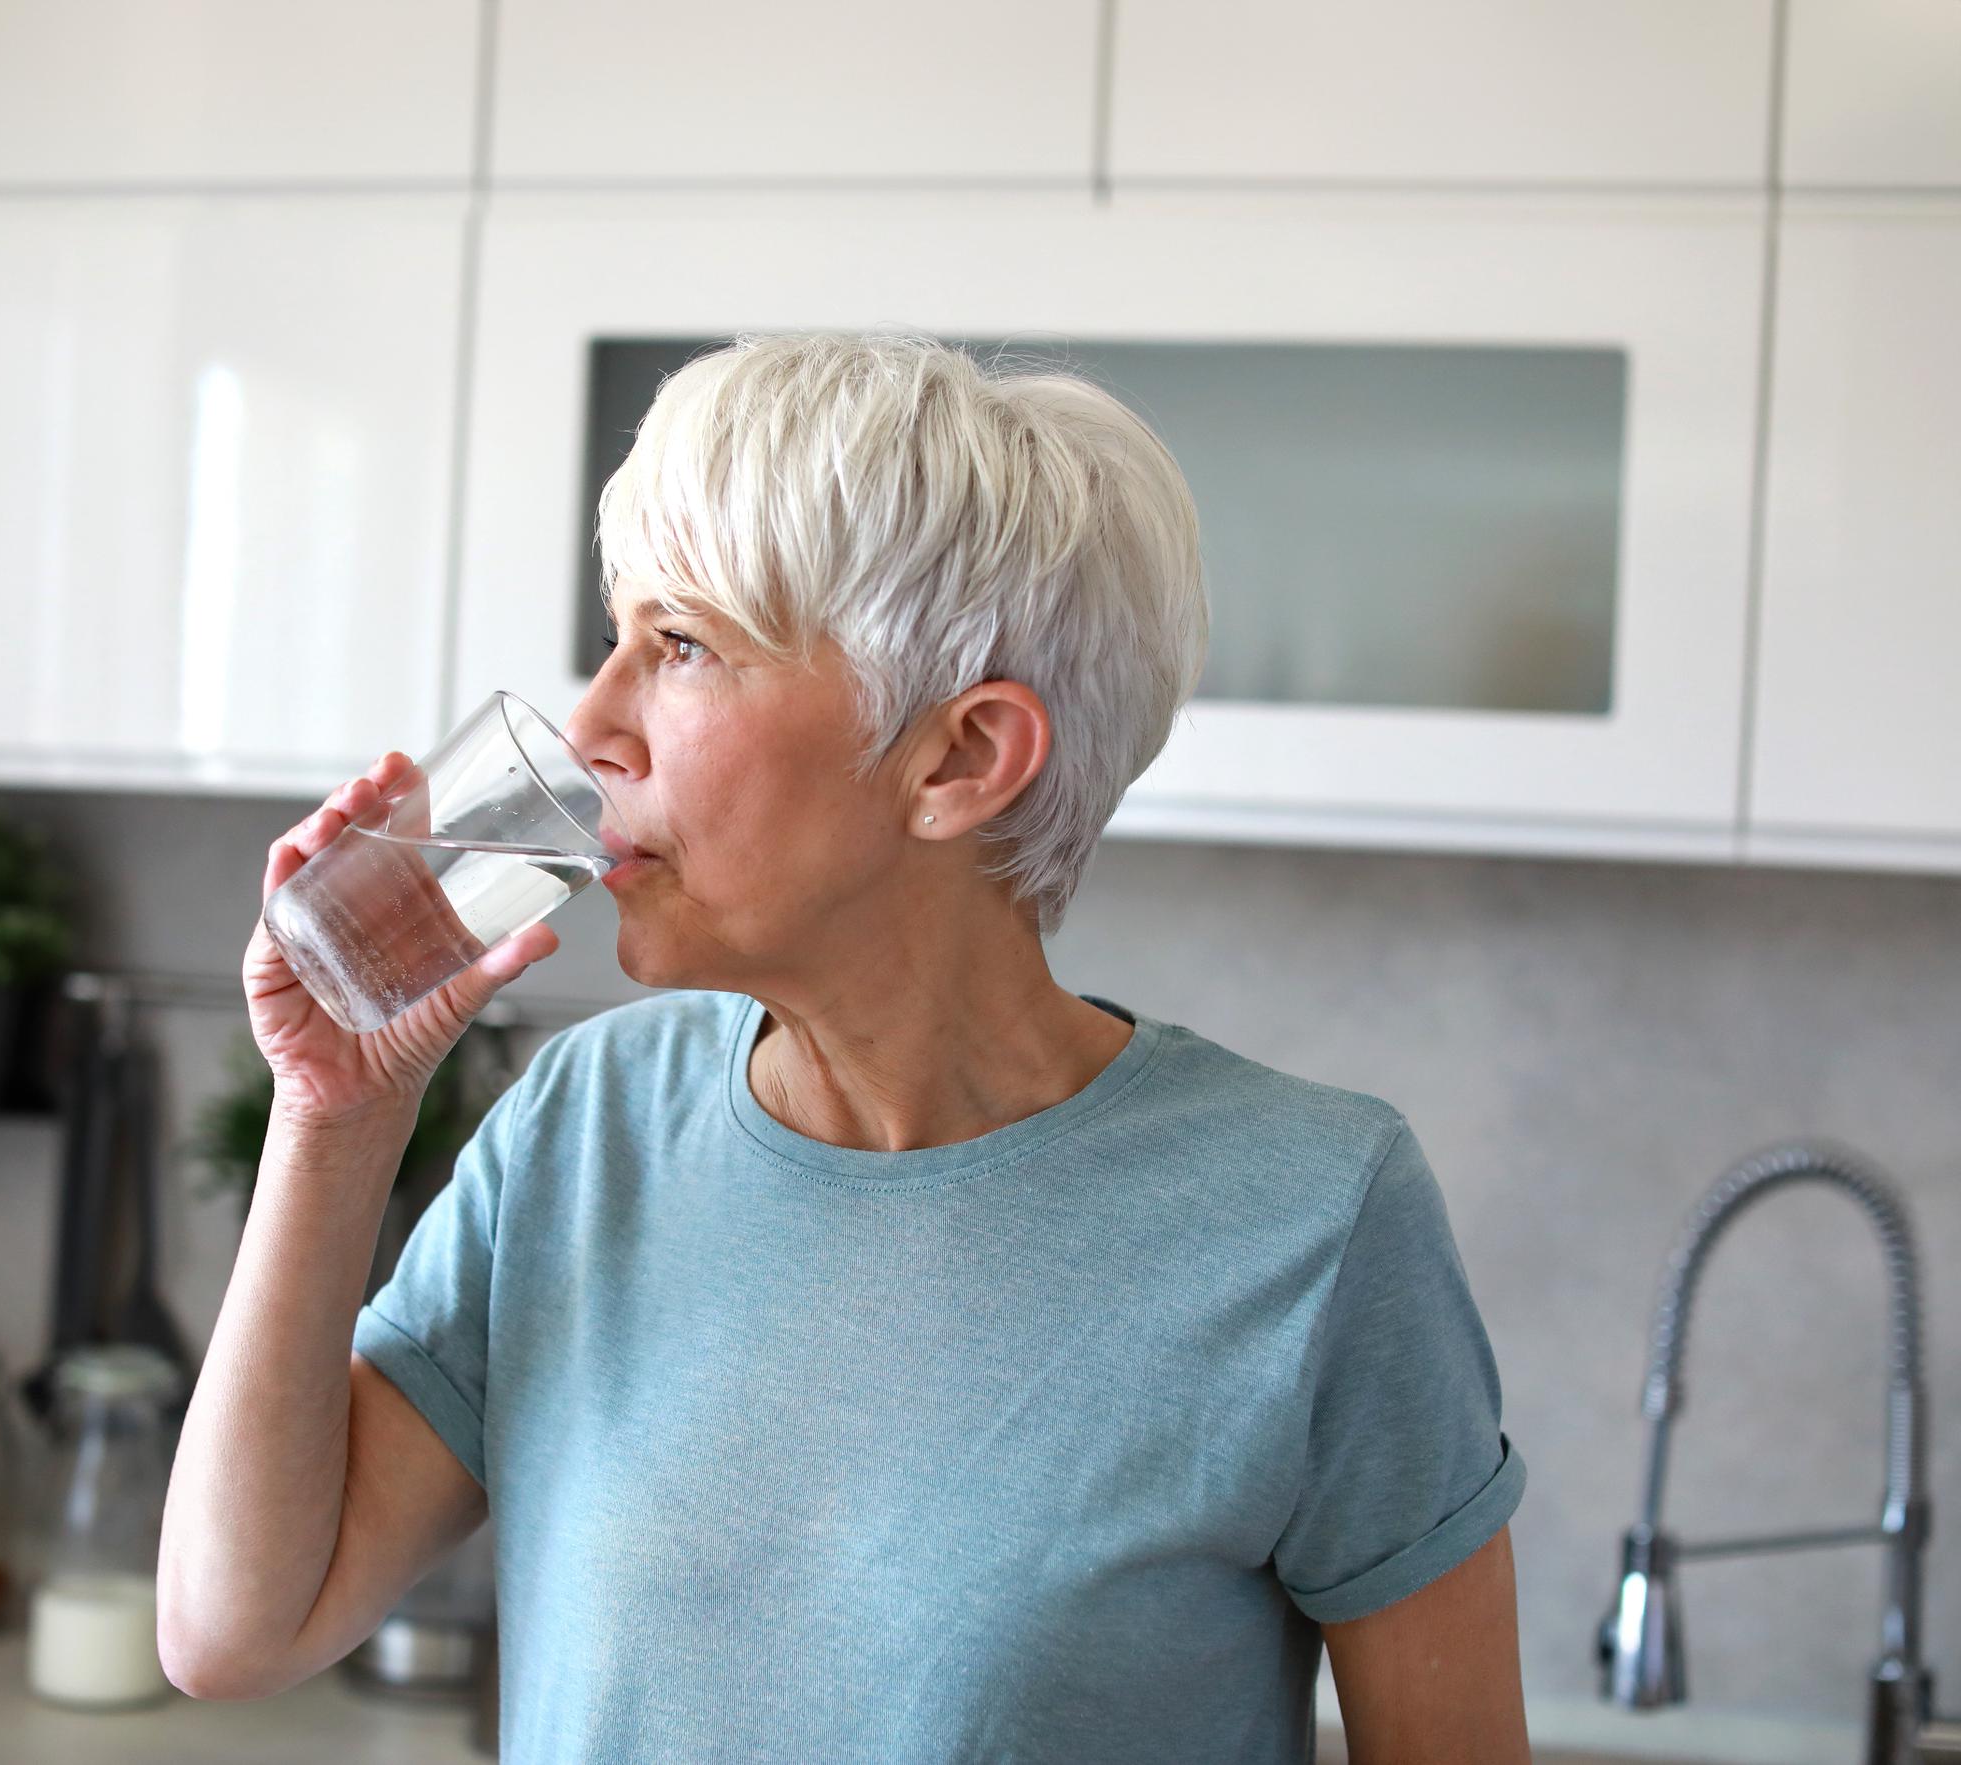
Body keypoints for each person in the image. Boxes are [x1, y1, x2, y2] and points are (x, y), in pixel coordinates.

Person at [159, 332, 1529, 1763]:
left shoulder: (1313, 1217)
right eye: (617, 630)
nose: (592, 723)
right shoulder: (586, 1131)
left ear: (959, 760)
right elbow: (232, 1626)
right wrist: (338, 1117)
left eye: (681, 645)